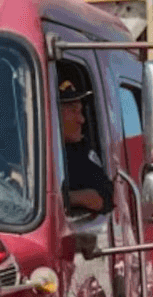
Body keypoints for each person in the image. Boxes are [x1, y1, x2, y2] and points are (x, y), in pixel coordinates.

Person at [59, 77, 114, 215]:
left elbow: (105, 198)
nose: (82, 119)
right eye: (73, 111)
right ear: (53, 114)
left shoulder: (79, 152)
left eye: (81, 111)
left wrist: (64, 198)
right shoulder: (22, 152)